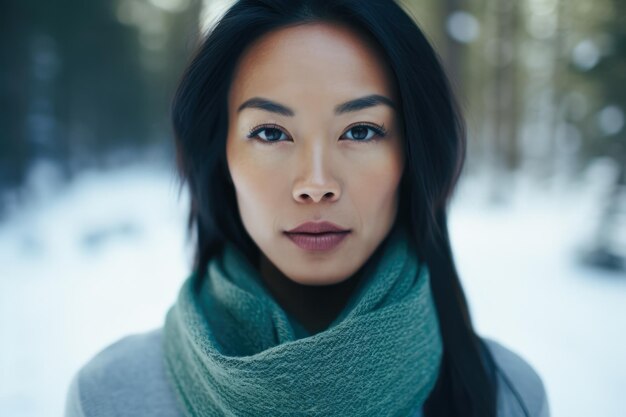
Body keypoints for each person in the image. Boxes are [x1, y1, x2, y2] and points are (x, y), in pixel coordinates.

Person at [64, 1, 550, 416]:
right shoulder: (109, 396)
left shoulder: (511, 396)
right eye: (271, 133)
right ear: (222, 157)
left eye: (360, 131)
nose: (316, 185)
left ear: (413, 155)